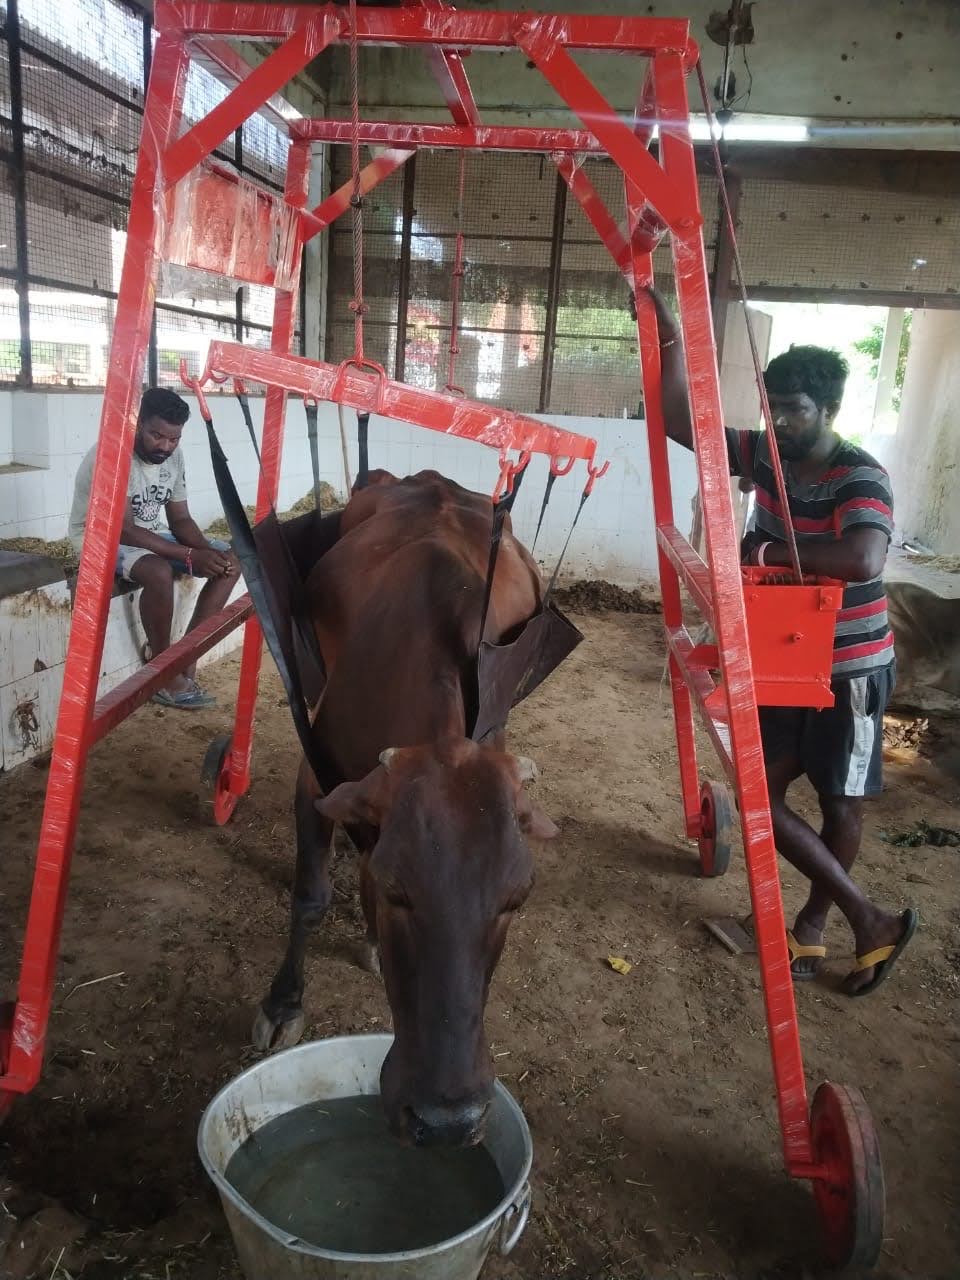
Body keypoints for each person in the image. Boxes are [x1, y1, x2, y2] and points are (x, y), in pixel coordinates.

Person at [643, 287, 917, 997]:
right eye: (773, 408)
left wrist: (764, 555)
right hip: (784, 656)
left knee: (839, 802)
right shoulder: (769, 454)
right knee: (759, 790)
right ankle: (867, 918)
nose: (781, 422)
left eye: (794, 409)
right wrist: (670, 340)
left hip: (848, 668)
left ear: (829, 409)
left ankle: (814, 925)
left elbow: (863, 558)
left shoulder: (860, 475)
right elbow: (681, 423)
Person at [69, 387, 241, 710]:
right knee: (158, 571)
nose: (165, 446)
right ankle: (161, 671)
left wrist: (208, 553)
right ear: (138, 424)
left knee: (231, 560)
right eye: (157, 435)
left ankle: (185, 659)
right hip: (99, 538)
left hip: (148, 534)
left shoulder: (174, 457)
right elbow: (124, 530)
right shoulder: (113, 455)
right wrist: (188, 555)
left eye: (174, 438)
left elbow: (181, 520)